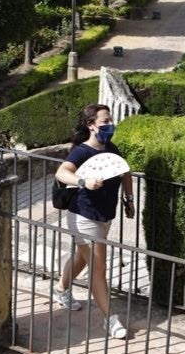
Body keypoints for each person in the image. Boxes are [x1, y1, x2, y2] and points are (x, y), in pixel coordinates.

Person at [52, 104, 135, 340]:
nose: (110, 125)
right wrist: (83, 181)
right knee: (99, 269)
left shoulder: (111, 149)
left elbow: (125, 172)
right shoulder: (82, 152)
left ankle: (60, 289)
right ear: (91, 125)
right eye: (105, 121)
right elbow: (61, 172)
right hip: (84, 217)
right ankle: (111, 320)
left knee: (82, 258)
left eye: (110, 120)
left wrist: (129, 199)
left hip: (104, 216)